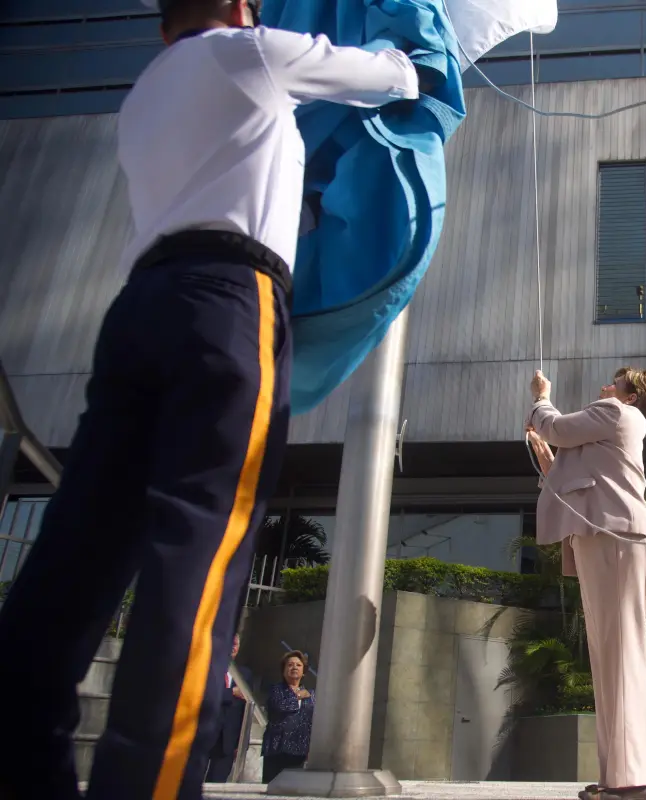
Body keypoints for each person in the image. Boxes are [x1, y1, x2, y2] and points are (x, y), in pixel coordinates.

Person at [0, 3, 422, 798]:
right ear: (237, 9)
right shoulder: (251, 52)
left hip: (138, 308)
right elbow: (390, 76)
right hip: (231, 301)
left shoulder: (144, 95)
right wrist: (411, 52)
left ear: (165, 25)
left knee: (79, 546)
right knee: (199, 547)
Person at [525, 367, 646, 800]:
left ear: (631, 394)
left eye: (615, 382)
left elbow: (554, 425)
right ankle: (619, 778)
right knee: (612, 652)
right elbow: (575, 474)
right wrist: (547, 455)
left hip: (616, 538)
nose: (606, 386)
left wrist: (540, 396)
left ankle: (631, 781)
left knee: (619, 650)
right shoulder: (614, 425)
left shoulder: (614, 412)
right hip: (613, 537)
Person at [262, 650, 316, 783]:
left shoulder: (311, 694)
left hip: (300, 750)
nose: (294, 668)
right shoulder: (275, 689)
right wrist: (297, 696)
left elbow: (313, 720)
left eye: (298, 665)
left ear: (303, 672)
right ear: (284, 670)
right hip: (277, 749)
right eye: (290, 665)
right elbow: (280, 707)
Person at [205, 633, 252, 782]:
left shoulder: (244, 674)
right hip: (204, 735)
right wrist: (231, 692)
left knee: (217, 784)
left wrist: (240, 742)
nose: (232, 647)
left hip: (227, 741)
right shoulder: (208, 669)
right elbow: (204, 694)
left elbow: (245, 710)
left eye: (236, 644)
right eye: (229, 643)